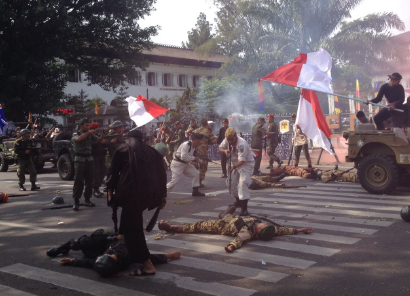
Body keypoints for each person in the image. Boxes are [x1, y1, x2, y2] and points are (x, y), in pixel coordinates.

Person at [107, 128, 167, 277]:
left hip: (129, 194)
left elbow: (113, 174)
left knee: (134, 230)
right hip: (146, 196)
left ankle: (148, 265)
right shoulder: (152, 152)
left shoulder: (122, 149)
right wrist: (162, 196)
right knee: (129, 223)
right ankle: (123, 236)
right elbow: (161, 175)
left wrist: (110, 194)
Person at [159, 206, 312, 253]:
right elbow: (284, 230)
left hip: (221, 226)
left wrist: (230, 247)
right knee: (226, 213)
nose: (263, 224)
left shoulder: (247, 233)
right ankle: (226, 212)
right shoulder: (272, 230)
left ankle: (171, 227)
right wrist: (301, 229)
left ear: (259, 232)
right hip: (233, 218)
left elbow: (238, 241)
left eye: (262, 226)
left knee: (196, 226)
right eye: (264, 224)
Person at [46, 229, 180, 277]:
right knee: (89, 241)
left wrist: (72, 261)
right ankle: (64, 247)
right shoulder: (129, 256)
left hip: (106, 242)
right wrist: (169, 256)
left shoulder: (101, 261)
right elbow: (148, 258)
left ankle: (65, 247)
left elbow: (88, 263)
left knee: (86, 245)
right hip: (113, 238)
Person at [219, 127, 254, 216]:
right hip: (234, 165)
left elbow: (242, 161)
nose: (230, 141)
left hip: (245, 165)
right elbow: (220, 149)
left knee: (242, 183)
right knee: (230, 184)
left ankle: (244, 209)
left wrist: (233, 167)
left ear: (235, 136)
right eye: (228, 140)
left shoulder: (241, 144)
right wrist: (225, 151)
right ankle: (238, 201)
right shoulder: (227, 139)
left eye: (231, 139)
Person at [72, 118, 105, 211]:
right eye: (86, 125)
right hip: (79, 159)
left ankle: (87, 199)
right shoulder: (76, 133)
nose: (88, 127)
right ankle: (76, 201)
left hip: (89, 159)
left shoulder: (90, 134)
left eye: (88, 125)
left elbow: (99, 140)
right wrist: (89, 133)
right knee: (79, 181)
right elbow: (78, 139)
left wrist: (104, 133)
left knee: (89, 180)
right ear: (81, 125)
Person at [193, 118, 218, 187]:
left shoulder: (195, 130)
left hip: (195, 152)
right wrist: (215, 138)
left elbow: (191, 140)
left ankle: (195, 181)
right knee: (203, 168)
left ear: (200, 124)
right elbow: (213, 142)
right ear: (206, 124)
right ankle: (199, 182)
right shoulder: (208, 132)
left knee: (194, 167)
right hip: (203, 153)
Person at [89, 122, 106, 197]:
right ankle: (95, 189)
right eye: (96, 129)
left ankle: (97, 187)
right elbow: (93, 145)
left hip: (101, 155)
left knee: (102, 172)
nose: (97, 130)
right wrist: (100, 141)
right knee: (96, 173)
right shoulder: (90, 136)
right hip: (94, 156)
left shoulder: (97, 136)